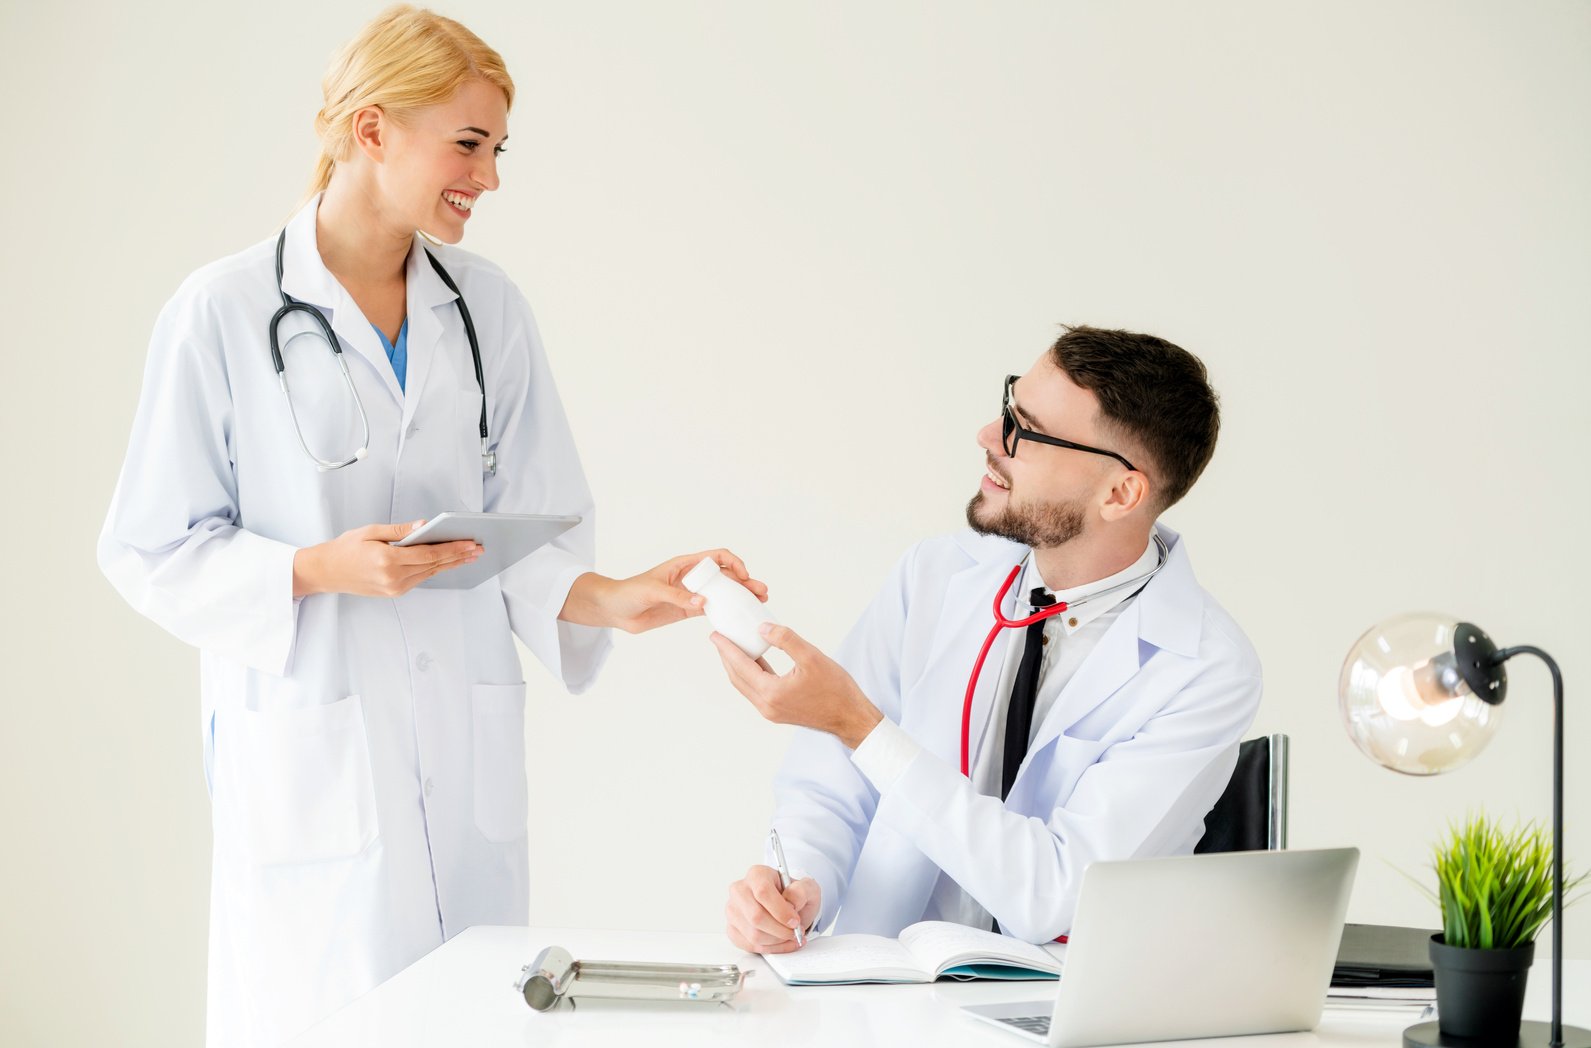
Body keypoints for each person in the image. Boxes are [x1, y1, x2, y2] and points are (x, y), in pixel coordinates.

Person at [97, 7, 764, 1045]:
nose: (489, 177)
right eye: (468, 143)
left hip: (460, 751)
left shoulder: (487, 308)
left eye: (497, 149)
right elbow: (149, 547)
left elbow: (530, 532)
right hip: (315, 761)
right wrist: (318, 568)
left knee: (478, 1013)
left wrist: (617, 599)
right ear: (371, 130)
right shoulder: (221, 311)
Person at [713, 325, 1260, 953]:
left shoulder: (1205, 666)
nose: (988, 438)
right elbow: (829, 786)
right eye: (1009, 408)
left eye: (1026, 431)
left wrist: (858, 724)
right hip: (887, 989)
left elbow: (1053, 894)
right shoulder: (935, 578)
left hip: (1062, 1015)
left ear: (1120, 493)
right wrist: (795, 885)